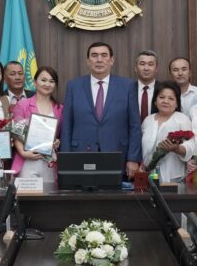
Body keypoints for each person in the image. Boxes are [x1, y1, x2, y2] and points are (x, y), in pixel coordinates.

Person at [60, 42, 142, 178]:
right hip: (81, 153)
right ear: (88, 61)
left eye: (104, 55)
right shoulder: (74, 86)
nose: (99, 59)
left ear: (112, 60)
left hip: (117, 154)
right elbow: (67, 125)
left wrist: (133, 158)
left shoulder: (127, 86)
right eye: (94, 55)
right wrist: (66, 158)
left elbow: (135, 125)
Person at [11, 66, 64, 182]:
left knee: (49, 192)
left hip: (49, 162)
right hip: (27, 160)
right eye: (43, 80)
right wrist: (23, 153)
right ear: (35, 83)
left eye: (51, 81)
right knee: (28, 193)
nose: (47, 84)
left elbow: (60, 135)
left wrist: (57, 142)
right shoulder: (22, 105)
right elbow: (16, 133)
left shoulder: (60, 109)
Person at [141, 81, 192, 183]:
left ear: (177, 103)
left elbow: (191, 147)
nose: (165, 101)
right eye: (161, 97)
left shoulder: (182, 119)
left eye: (171, 98)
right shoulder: (148, 120)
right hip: (149, 176)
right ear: (155, 101)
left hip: (174, 178)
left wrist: (176, 148)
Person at [134, 50, 159, 122]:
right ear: (135, 68)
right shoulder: (127, 90)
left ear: (157, 69)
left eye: (150, 64)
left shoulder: (163, 89)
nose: (146, 68)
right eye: (142, 64)